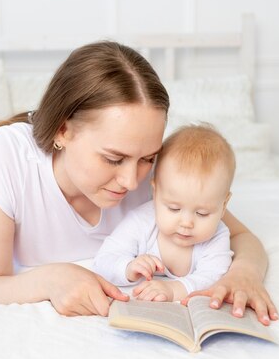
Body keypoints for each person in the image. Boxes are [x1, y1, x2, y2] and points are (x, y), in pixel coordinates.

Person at [0, 41, 279, 325]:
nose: (133, 181)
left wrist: (244, 273)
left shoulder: (156, 175)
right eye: (114, 159)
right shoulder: (4, 160)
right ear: (63, 131)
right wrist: (53, 278)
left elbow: (240, 235)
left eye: (148, 158)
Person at [93, 124, 235, 302]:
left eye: (202, 213)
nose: (186, 223)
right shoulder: (142, 221)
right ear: (156, 192)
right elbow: (103, 261)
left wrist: (174, 289)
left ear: (224, 205)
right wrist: (128, 267)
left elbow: (214, 277)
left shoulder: (217, 236)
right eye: (174, 209)